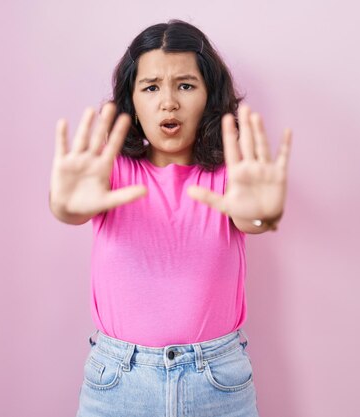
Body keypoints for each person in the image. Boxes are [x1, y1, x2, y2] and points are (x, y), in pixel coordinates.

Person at [49, 19, 292, 417]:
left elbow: (253, 219)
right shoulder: (109, 172)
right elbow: (72, 208)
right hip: (118, 382)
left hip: (217, 381)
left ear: (210, 96)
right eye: (151, 87)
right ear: (131, 101)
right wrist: (65, 205)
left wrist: (262, 215)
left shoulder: (231, 174)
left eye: (185, 85)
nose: (168, 102)